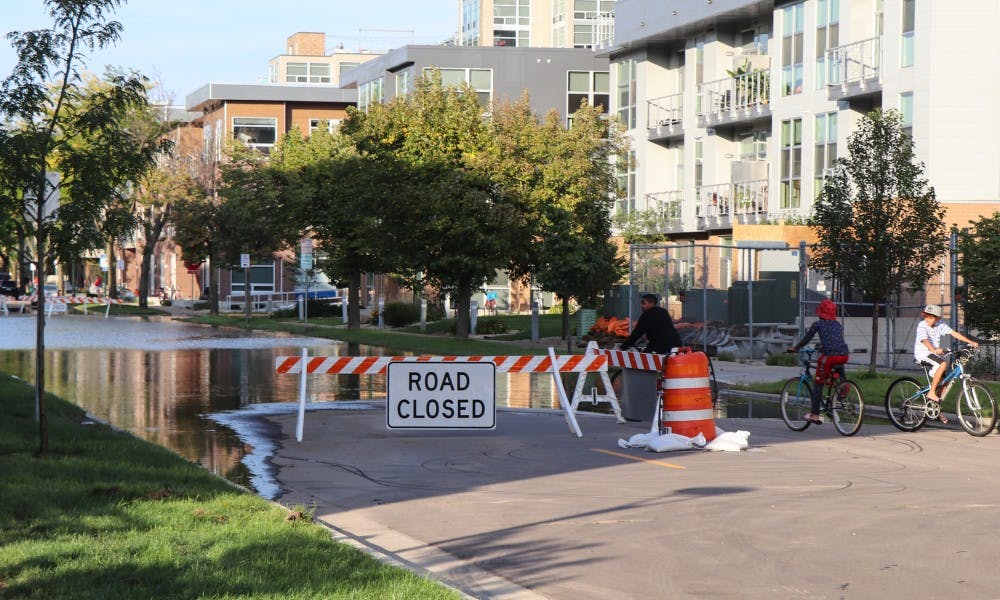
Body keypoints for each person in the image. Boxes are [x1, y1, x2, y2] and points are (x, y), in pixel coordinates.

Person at [914, 304, 978, 423]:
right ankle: (931, 392)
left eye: (931, 317)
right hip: (923, 353)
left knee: (945, 382)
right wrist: (933, 349)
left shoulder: (940, 324)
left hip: (934, 355)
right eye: (926, 316)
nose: (928, 319)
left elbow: (954, 333)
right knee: (943, 363)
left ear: (938, 318)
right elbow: (925, 340)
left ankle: (936, 410)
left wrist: (970, 342)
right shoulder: (922, 325)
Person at [790, 299, 850, 425]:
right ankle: (844, 387)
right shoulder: (838, 325)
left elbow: (807, 338)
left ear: (821, 312)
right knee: (838, 365)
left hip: (829, 357)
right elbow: (836, 341)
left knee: (818, 383)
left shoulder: (818, 324)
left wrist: (796, 348)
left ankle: (815, 415)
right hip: (843, 355)